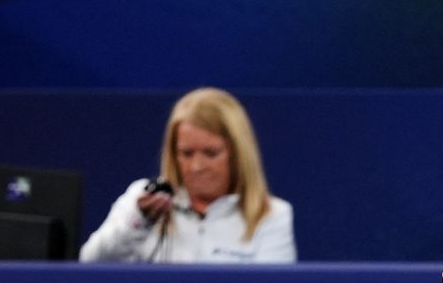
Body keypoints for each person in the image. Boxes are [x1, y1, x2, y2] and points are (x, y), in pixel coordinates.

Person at [81, 87, 296, 262]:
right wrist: (138, 222)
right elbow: (89, 266)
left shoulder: (271, 215)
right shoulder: (143, 200)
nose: (196, 166)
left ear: (238, 153)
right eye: (186, 153)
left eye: (211, 153)